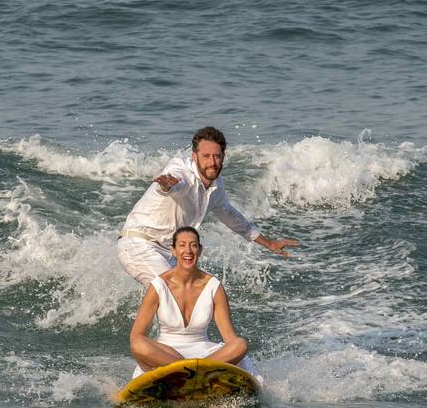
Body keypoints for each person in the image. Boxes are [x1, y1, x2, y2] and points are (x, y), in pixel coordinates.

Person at [118, 125, 299, 287]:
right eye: (206, 156)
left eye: (217, 156)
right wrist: (168, 185)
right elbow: (177, 185)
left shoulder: (216, 187)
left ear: (223, 157)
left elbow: (232, 217)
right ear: (194, 156)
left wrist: (269, 244)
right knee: (174, 293)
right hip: (139, 244)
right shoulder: (181, 171)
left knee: (199, 299)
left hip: (169, 253)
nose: (212, 162)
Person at [129, 226, 258, 379]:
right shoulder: (158, 286)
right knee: (138, 344)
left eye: (193, 245)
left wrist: (228, 355)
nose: (188, 251)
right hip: (167, 355)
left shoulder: (213, 287)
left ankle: (189, 372)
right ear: (174, 250)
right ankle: (195, 371)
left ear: (200, 249)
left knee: (240, 344)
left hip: (206, 355)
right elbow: (137, 335)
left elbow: (230, 339)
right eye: (182, 245)